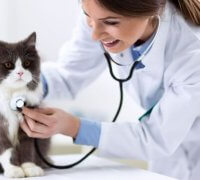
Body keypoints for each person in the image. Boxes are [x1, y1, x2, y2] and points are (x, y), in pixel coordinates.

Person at [20, 0, 200, 179]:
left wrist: (74, 127)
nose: (94, 35)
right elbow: (69, 73)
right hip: (170, 157)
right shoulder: (97, 14)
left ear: (148, 13)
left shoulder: (192, 52)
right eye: (87, 15)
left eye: (111, 22)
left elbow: (155, 138)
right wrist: (19, 83)